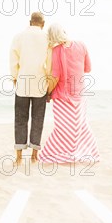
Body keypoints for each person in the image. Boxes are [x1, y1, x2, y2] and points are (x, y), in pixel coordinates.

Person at [38, 24, 100, 163]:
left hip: (62, 97)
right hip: (79, 94)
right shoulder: (82, 45)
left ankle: (52, 154)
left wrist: (47, 93)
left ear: (52, 37)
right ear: (64, 32)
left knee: (62, 127)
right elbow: (88, 68)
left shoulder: (56, 51)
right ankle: (90, 153)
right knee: (81, 126)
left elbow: (55, 76)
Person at [10, 12, 51, 164]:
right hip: (40, 84)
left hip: (23, 83)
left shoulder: (18, 37)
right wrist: (48, 84)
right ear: (43, 23)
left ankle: (19, 157)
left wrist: (15, 77)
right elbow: (50, 64)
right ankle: (34, 156)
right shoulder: (47, 38)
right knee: (37, 119)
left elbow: (13, 59)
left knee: (20, 119)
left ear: (29, 22)